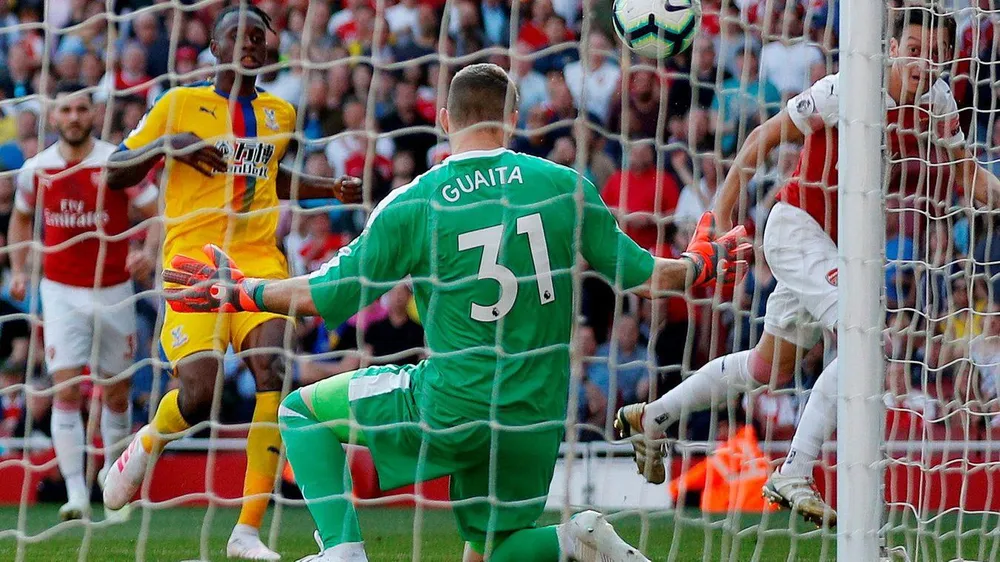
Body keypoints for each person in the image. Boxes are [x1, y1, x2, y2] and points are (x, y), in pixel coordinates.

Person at [160, 63, 748, 562]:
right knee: (497, 549)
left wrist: (244, 292)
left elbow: (327, 297)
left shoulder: (417, 200)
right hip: (537, 411)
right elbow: (648, 278)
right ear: (513, 119)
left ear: (444, 122)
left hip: (450, 401)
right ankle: (575, 538)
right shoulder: (565, 185)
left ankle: (342, 553)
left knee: (299, 412)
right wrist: (701, 261)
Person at [615, 6, 1000, 528]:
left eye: (935, 55)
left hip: (839, 250)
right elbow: (760, 142)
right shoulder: (846, 89)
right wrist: (721, 218)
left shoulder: (937, 102)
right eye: (914, 50)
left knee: (767, 367)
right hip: (796, 228)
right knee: (866, 339)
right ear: (890, 49)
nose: (923, 64)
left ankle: (652, 417)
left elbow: (970, 179)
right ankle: (795, 470)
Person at [100, 6, 361, 560]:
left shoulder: (280, 113)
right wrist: (173, 147)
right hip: (192, 260)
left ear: (269, 50)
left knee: (274, 369)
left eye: (258, 36)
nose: (248, 43)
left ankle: (246, 530)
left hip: (259, 262)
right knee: (199, 393)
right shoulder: (177, 106)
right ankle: (148, 441)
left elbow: (272, 177)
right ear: (214, 48)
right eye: (235, 35)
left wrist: (327, 187)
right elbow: (116, 170)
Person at [6, 82, 159, 521]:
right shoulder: (38, 169)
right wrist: (19, 267)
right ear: (54, 116)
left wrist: (148, 252)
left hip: (113, 289)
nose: (74, 117)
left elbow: (156, 212)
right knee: (66, 388)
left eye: (81, 109)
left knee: (116, 393)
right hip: (60, 292)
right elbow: (20, 218)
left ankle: (112, 486)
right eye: (66, 110)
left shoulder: (114, 162)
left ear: (93, 114)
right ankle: (75, 493)